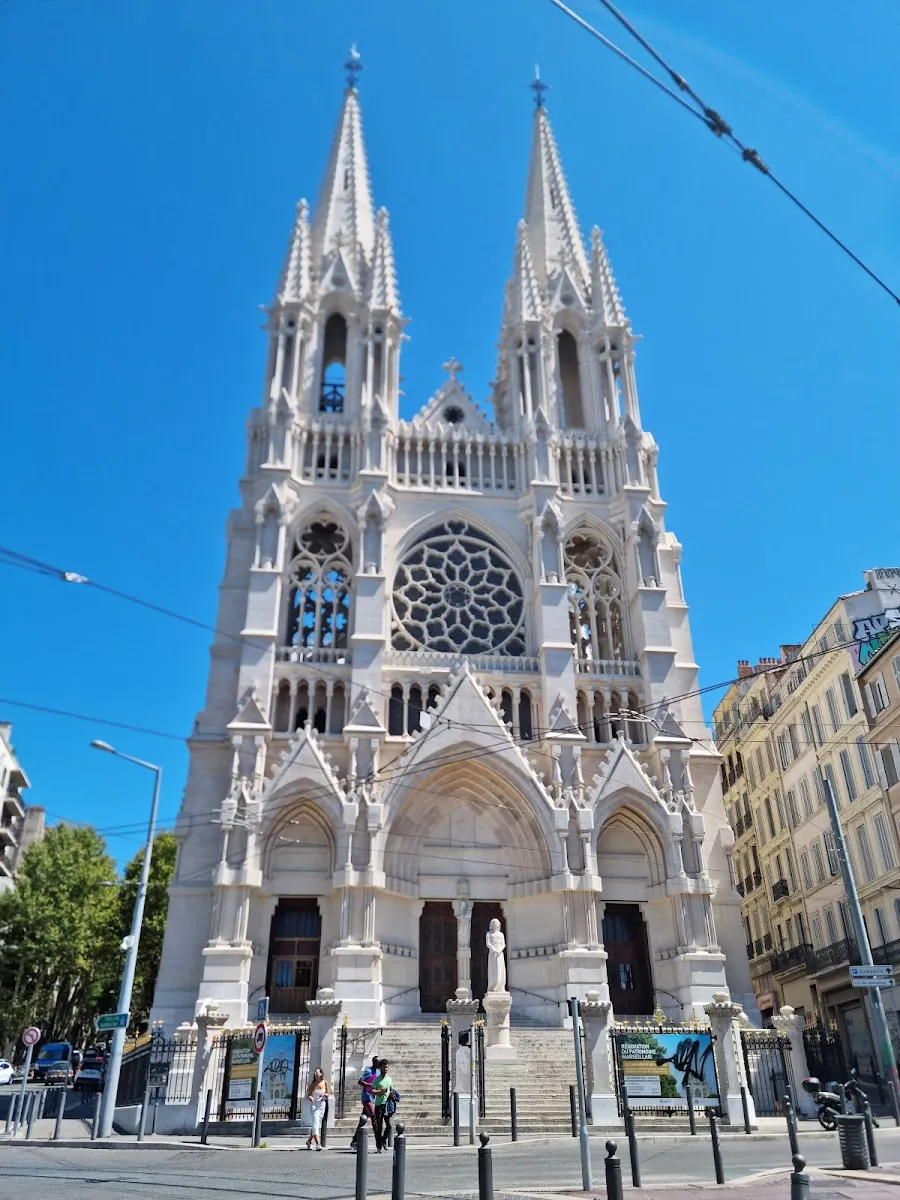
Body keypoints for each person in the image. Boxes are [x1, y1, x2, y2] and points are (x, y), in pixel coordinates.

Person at [350, 1056, 381, 1150]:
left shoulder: (379, 1072)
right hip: (367, 1098)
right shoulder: (368, 1071)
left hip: (374, 1098)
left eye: (379, 1062)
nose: (378, 1064)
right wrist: (369, 1085)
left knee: (363, 1120)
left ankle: (354, 1141)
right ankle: (378, 1143)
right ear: (373, 1062)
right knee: (374, 1118)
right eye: (377, 1062)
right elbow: (360, 1081)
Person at [306, 1066, 332, 1150]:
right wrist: (311, 1097)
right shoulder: (312, 1085)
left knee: (316, 1124)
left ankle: (309, 1141)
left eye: (316, 1072)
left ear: (321, 1074)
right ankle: (318, 1144)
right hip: (314, 1106)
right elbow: (309, 1095)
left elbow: (328, 1093)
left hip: (322, 1105)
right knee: (316, 1124)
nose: (315, 1074)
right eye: (314, 1072)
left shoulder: (325, 1082)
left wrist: (325, 1095)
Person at [372, 1057, 394, 1153]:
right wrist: (380, 1092)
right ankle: (379, 1145)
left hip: (387, 1105)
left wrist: (391, 1094)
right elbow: (372, 1091)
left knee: (389, 1126)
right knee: (379, 1127)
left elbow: (392, 1089)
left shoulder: (389, 1079)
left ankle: (383, 1140)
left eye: (386, 1067)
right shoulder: (377, 1080)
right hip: (379, 1105)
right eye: (384, 1067)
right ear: (380, 1068)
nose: (385, 1069)